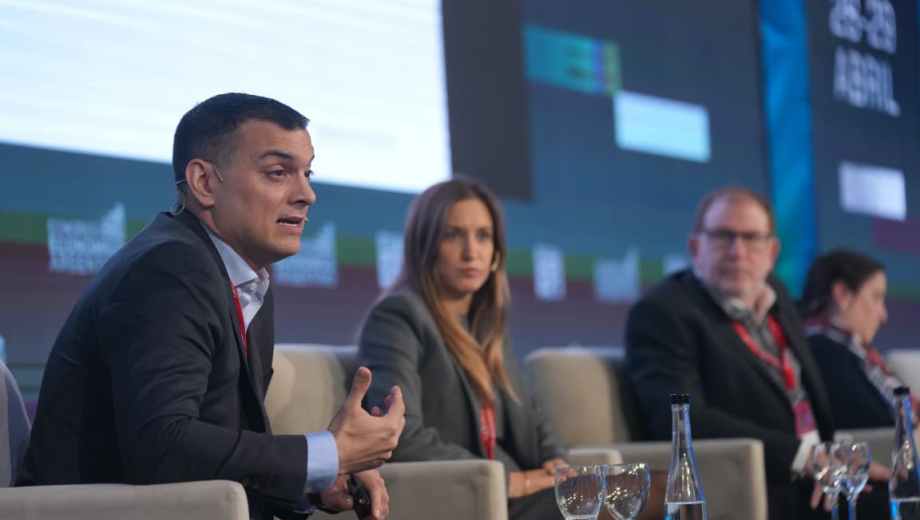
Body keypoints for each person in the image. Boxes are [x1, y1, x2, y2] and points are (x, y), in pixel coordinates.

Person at [17, 93, 405, 520]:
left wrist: (318, 480)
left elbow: (215, 456)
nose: (307, 194)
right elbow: (161, 445)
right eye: (278, 173)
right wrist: (324, 453)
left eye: (307, 173)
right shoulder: (168, 269)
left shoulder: (244, 279)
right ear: (204, 182)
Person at [624, 187, 889, 520]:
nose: (738, 251)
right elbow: (679, 420)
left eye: (751, 238)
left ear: (772, 251)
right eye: (723, 236)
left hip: (821, 474)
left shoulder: (776, 296)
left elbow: (803, 398)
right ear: (695, 247)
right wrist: (803, 457)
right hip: (759, 483)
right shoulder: (664, 312)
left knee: (906, 489)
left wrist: (834, 453)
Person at [355, 178, 581, 519]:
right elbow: (399, 436)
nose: (471, 252)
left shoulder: (487, 327)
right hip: (469, 498)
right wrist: (511, 481)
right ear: (426, 245)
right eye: (452, 235)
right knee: (642, 497)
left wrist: (556, 463)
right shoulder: (399, 316)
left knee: (655, 488)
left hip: (520, 496)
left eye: (483, 236)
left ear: (496, 253)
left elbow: (533, 424)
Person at [800, 249, 912, 429]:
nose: (883, 316)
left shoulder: (854, 352)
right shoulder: (824, 353)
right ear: (842, 294)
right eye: (876, 297)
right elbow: (883, 429)